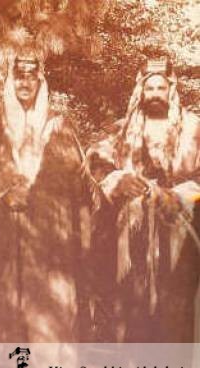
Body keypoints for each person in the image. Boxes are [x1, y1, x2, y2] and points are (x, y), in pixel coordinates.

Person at [0, 51, 91, 354]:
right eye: (18, 76)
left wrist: (38, 191)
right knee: (5, 293)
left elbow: (74, 171)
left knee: (49, 294)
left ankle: (51, 367)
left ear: (40, 81)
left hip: (48, 225)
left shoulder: (58, 122)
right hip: (3, 222)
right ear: (10, 79)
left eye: (30, 76)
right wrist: (5, 191)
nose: (24, 82)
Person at [87, 56, 200, 344]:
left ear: (171, 90)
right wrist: (118, 179)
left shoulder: (193, 128)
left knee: (176, 301)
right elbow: (95, 161)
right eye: (150, 88)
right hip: (131, 228)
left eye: (161, 88)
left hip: (179, 225)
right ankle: (132, 366)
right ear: (141, 92)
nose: (155, 94)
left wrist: (179, 195)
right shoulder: (122, 129)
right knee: (131, 297)